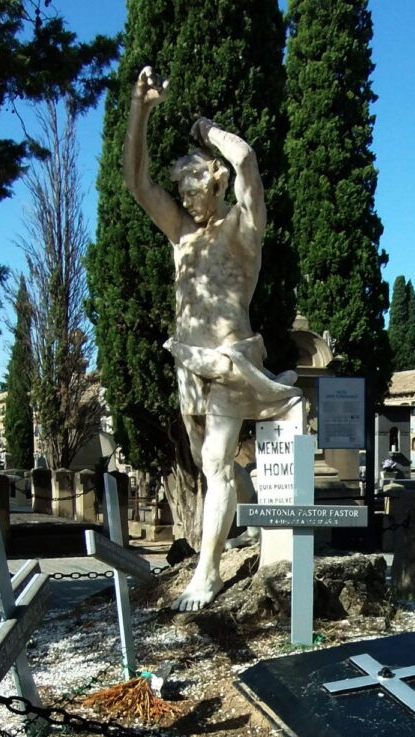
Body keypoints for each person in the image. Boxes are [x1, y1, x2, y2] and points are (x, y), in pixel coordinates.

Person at [122, 65, 302, 610]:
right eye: (181, 190)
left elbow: (245, 158)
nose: (186, 198)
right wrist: (141, 110)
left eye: (193, 187)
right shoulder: (182, 235)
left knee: (215, 463)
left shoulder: (242, 232)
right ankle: (244, 517)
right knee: (209, 457)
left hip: (229, 360)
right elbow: (136, 182)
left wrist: (204, 129)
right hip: (189, 365)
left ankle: (208, 572)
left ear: (215, 183)